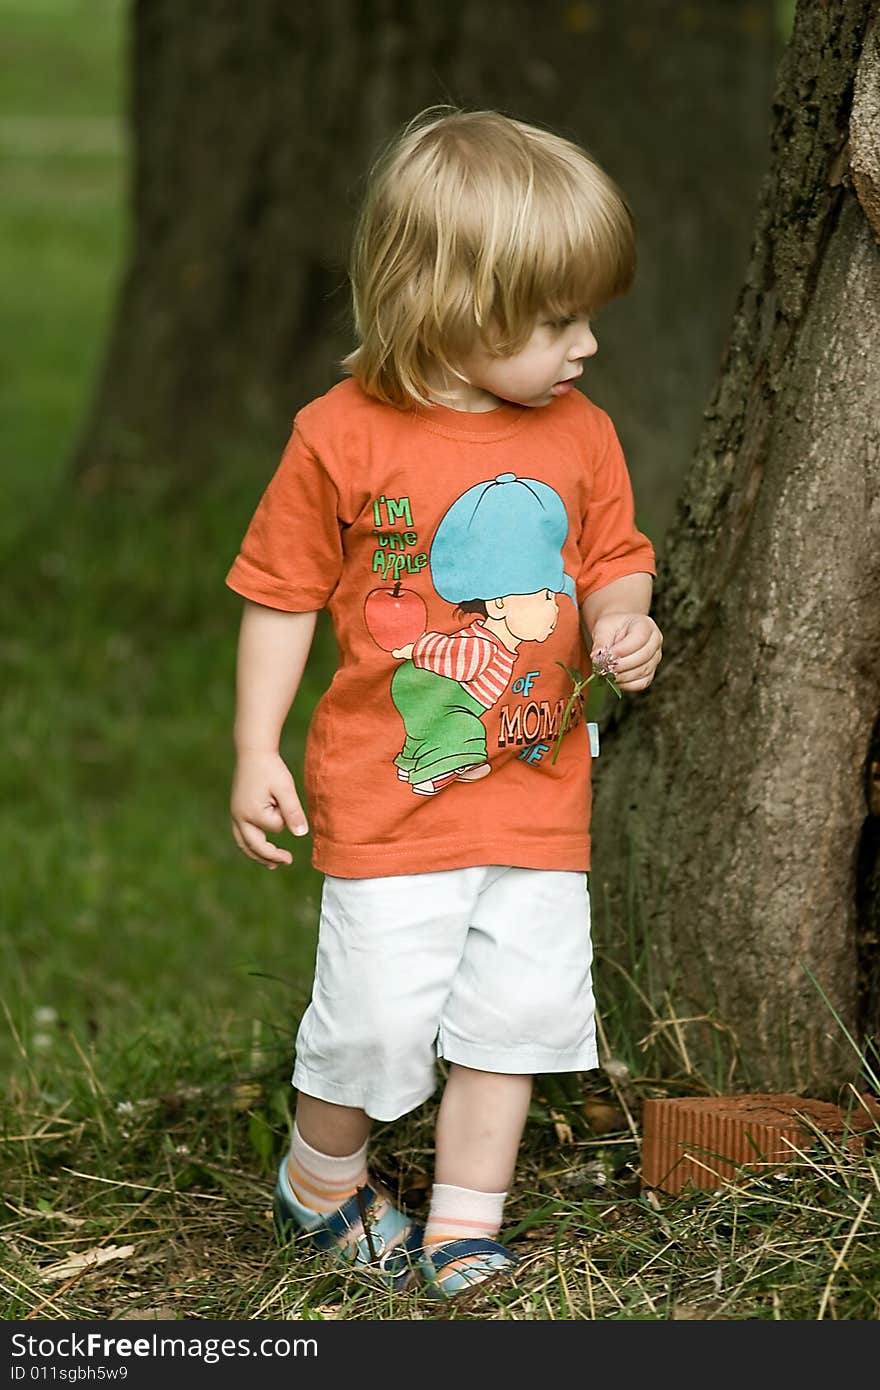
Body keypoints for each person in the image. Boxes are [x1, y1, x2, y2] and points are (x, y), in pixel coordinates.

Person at [226, 106, 662, 1300]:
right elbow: (278, 593)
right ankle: (321, 1181)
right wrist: (254, 745)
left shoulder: (581, 432)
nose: (584, 345)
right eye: (557, 318)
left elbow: (615, 551)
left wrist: (624, 613)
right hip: (389, 798)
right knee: (370, 1023)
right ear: (457, 307)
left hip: (535, 793)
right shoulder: (338, 435)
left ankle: (465, 1219)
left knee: (515, 1018)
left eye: (587, 315)